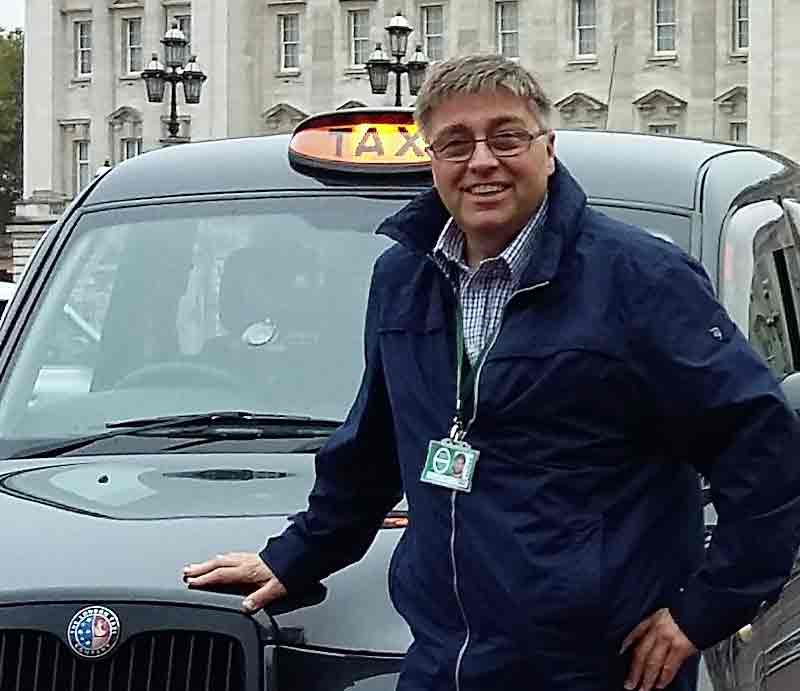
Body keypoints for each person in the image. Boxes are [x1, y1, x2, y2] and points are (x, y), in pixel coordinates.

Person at [182, 55, 800, 691]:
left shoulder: (642, 279)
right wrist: (294, 558)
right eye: (455, 143)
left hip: (595, 669)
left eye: (506, 137)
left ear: (548, 150)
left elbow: (761, 445)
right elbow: (372, 448)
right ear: (433, 160)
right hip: (444, 661)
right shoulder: (404, 278)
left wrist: (702, 612)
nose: (482, 161)